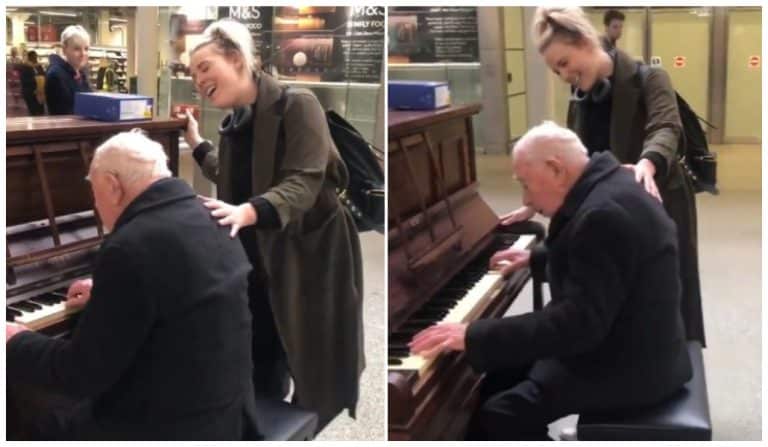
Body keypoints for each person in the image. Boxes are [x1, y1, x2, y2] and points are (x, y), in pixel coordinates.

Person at [409, 121, 693, 440]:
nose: (525, 198)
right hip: (631, 337)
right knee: (493, 375)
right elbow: (606, 262)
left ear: (556, 169)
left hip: (631, 367)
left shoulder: (603, 216)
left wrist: (473, 333)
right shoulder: (613, 183)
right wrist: (535, 258)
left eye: (526, 184)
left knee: (500, 413)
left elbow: (575, 327)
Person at [6, 131, 260, 440]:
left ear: (114, 186)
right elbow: (171, 289)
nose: (96, 207)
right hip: (228, 412)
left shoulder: (130, 246)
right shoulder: (213, 214)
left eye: (94, 196)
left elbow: (81, 373)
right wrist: (107, 297)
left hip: (170, 428)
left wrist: (16, 340)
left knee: (30, 412)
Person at [181, 19, 364, 430]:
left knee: (311, 353)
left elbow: (303, 179)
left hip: (309, 253)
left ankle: (296, 428)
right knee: (260, 351)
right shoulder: (235, 124)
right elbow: (231, 176)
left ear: (236, 57)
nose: (199, 81)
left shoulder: (298, 104)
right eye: (193, 75)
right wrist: (197, 144)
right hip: (258, 255)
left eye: (205, 66)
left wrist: (246, 212)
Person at [501, 7, 704, 345]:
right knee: (604, 292)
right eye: (556, 70)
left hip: (655, 198)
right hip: (608, 208)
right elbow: (568, 164)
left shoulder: (650, 78)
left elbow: (666, 126)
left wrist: (647, 163)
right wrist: (536, 198)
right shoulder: (581, 99)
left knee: (661, 292)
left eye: (564, 63)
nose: (563, 75)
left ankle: (671, 356)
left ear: (585, 42)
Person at [46, 25, 92, 115]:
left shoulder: (81, 73)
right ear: (64, 50)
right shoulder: (56, 75)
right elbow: (65, 111)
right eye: (77, 49)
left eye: (86, 49)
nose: (83, 54)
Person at [19, 50, 46, 115]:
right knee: (33, 112)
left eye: (36, 56)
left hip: (39, 93)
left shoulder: (39, 66)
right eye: (34, 57)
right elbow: (24, 80)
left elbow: (43, 75)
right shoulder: (25, 67)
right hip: (29, 92)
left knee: (41, 111)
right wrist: (36, 80)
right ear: (30, 57)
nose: (36, 58)